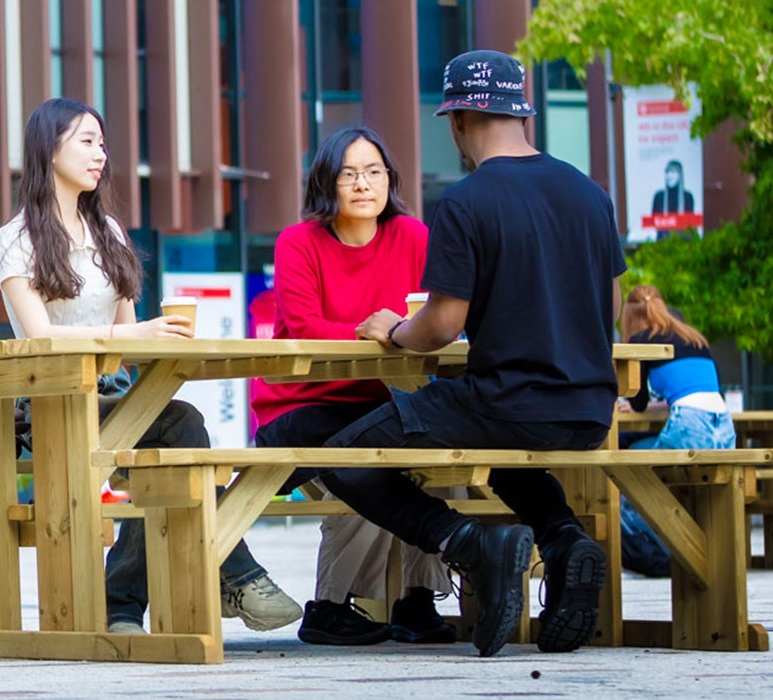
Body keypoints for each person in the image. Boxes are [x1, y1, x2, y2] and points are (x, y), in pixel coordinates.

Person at [312, 50, 627, 658]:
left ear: (456, 120)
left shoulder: (466, 202)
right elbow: (610, 307)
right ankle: (561, 538)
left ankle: (466, 542)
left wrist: (396, 328)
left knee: (339, 457)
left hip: (505, 400)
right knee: (497, 442)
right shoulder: (592, 195)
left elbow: (440, 327)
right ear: (523, 114)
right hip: (590, 408)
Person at [0, 97, 301, 635]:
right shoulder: (13, 240)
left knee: (178, 438)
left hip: (114, 393)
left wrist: (164, 338)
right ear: (49, 149)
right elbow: (39, 336)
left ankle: (124, 606)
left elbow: (129, 332)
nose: (100, 155)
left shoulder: (107, 230)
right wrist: (130, 333)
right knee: (181, 429)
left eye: (103, 143)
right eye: (87, 141)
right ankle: (233, 577)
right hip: (48, 401)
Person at [250, 126, 456, 646]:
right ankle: (333, 606)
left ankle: (417, 599)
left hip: (388, 400)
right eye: (349, 174)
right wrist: (377, 331)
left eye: (374, 172)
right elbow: (303, 327)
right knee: (364, 463)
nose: (363, 184)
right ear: (327, 182)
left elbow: (434, 315)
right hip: (305, 404)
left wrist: (397, 330)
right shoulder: (299, 242)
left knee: (443, 457)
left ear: (390, 179)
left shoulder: (413, 236)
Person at [619, 286, 734, 449]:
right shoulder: (694, 338)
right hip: (724, 426)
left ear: (629, 316)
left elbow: (639, 404)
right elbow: (697, 392)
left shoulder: (640, 340)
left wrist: (631, 404)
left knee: (629, 456)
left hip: (690, 426)